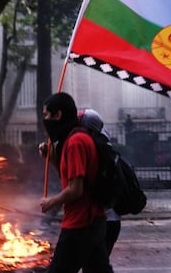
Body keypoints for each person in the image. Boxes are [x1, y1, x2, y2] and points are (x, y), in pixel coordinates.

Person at [39, 92, 113, 273]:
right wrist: (53, 159)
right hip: (92, 221)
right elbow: (70, 179)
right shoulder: (74, 139)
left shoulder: (76, 142)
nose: (45, 120)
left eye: (47, 115)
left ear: (58, 115)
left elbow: (75, 190)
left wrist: (51, 201)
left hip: (80, 223)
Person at [78, 109, 121, 257]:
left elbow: (80, 185)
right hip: (109, 220)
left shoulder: (95, 149)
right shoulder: (103, 146)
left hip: (103, 221)